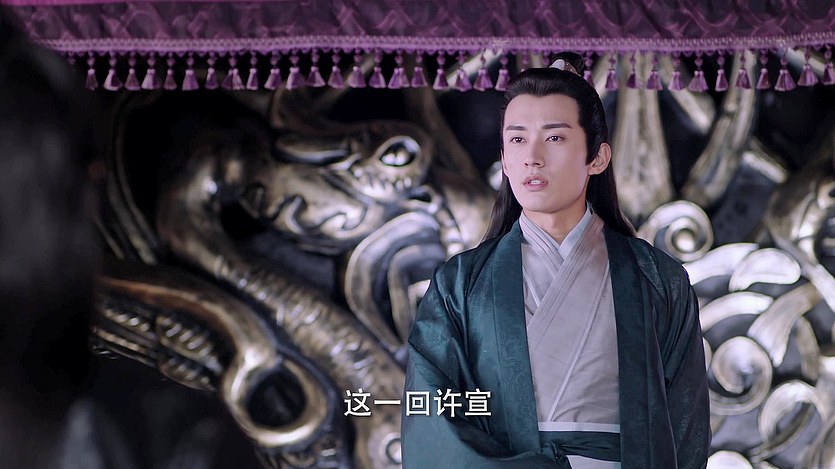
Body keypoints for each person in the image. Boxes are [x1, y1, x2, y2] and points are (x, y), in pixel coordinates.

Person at [401, 55, 710, 468]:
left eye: (554, 138)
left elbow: (686, 425)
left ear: (597, 158)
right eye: (517, 140)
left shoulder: (657, 279)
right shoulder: (461, 284)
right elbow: (428, 412)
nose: (533, 157)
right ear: (504, 160)